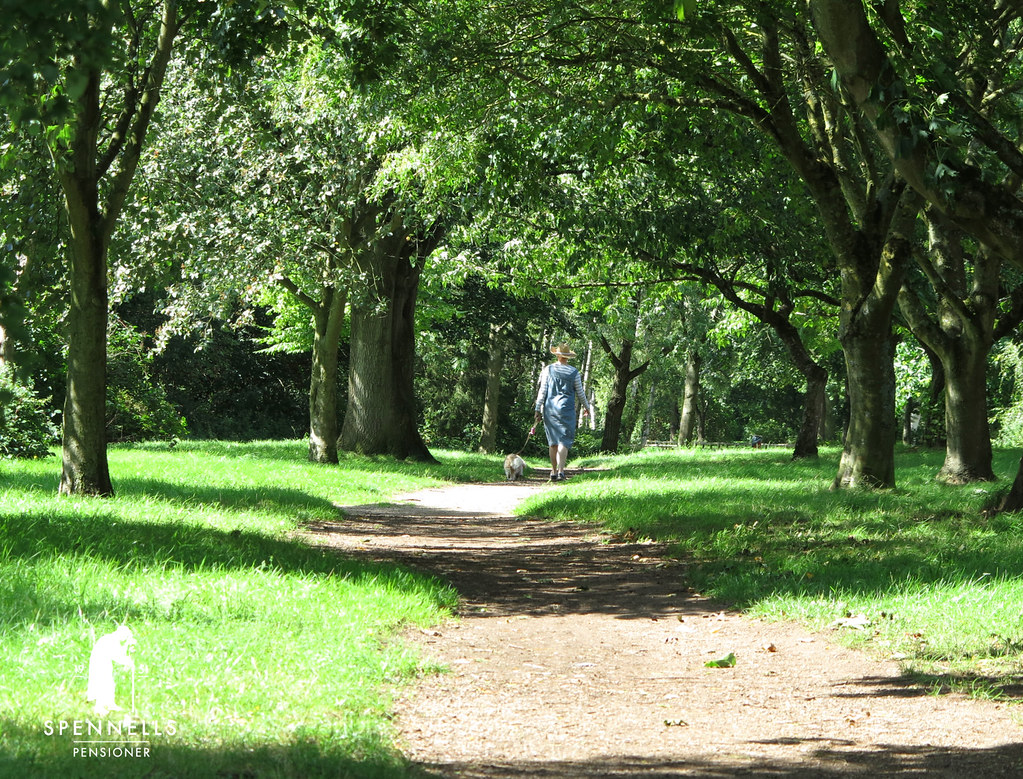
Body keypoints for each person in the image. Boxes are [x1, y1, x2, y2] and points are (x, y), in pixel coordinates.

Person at [534, 343, 593, 482]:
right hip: (566, 410)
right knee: (564, 441)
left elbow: (542, 391)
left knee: (553, 442)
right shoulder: (574, 372)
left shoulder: (548, 370)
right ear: (567, 357)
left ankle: (553, 471)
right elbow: (580, 392)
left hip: (550, 409)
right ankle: (561, 471)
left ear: (557, 355)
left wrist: (538, 408)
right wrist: (587, 407)